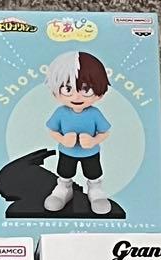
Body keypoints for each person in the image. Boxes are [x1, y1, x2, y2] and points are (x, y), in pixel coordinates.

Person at [43, 51, 112, 215]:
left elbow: (105, 132)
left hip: (91, 153)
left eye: (86, 89)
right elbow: (52, 130)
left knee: (93, 173)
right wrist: (62, 140)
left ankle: (95, 190)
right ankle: (63, 189)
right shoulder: (60, 112)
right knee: (65, 172)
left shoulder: (95, 113)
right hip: (67, 152)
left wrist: (93, 141)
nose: (76, 96)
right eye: (68, 89)